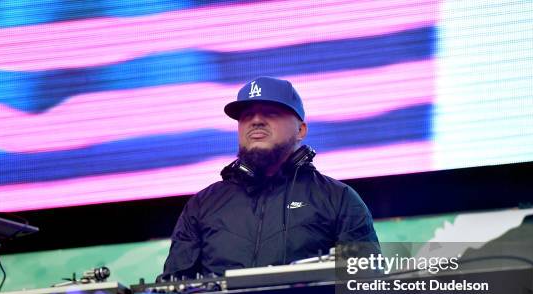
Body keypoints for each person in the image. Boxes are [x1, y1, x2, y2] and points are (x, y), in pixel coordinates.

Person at [159, 76, 379, 281]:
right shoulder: (203, 204)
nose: (256, 121)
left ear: (301, 130)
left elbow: (366, 285)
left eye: (270, 113)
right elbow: (172, 291)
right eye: (246, 116)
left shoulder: (339, 198)